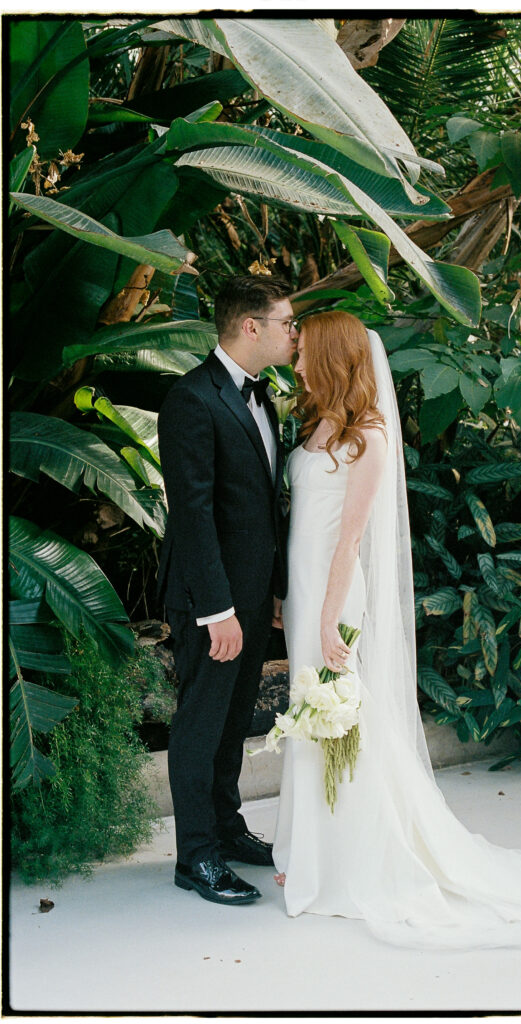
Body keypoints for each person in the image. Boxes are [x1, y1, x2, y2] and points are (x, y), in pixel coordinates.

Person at [272, 309, 521, 950]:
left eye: (303, 354)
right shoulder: (318, 425)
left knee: (343, 721)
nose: (293, 363)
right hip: (304, 598)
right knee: (310, 716)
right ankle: (309, 846)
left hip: (336, 599)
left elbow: (350, 540)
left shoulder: (368, 438)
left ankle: (347, 857)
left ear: (332, 358)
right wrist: (288, 598)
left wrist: (326, 618)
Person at [157, 275, 297, 906]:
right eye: (286, 324)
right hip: (210, 602)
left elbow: (258, 506)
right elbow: (193, 513)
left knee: (234, 720)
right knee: (200, 724)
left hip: (249, 597)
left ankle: (226, 826)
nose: (293, 334)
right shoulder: (193, 399)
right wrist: (218, 611)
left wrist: (268, 592)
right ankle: (197, 857)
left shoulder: (261, 397)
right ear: (250, 327)